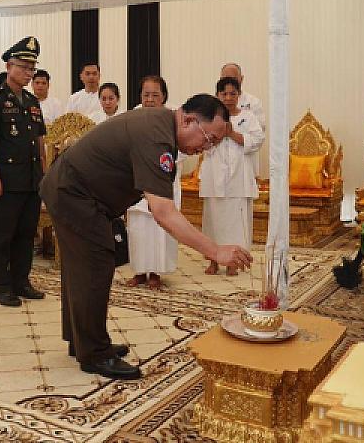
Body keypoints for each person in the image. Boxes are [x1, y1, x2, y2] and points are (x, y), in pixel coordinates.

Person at [40, 94, 252, 379]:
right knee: (95, 266)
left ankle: (81, 341)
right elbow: (163, 212)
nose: (206, 148)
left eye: (213, 143)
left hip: (74, 190)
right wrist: (215, 251)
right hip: (74, 194)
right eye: (209, 139)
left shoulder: (162, 126)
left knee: (81, 268)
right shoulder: (157, 138)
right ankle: (94, 354)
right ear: (189, 120)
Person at [0, 37, 46, 307]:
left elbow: (40, 141)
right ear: (8, 66)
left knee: (26, 234)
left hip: (31, 179)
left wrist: (43, 175)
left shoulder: (31, 100)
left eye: (32, 68)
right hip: (6, 179)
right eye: (23, 67)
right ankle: (2, 285)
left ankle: (21, 280)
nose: (28, 73)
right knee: (3, 235)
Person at [201, 77, 264, 275]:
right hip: (214, 176)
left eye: (232, 94)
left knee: (236, 223)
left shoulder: (247, 117)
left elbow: (258, 140)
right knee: (213, 220)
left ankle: (233, 262)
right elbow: (201, 142)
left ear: (239, 95)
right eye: (224, 94)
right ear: (217, 95)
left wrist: (232, 134)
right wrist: (219, 134)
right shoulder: (209, 117)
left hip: (239, 177)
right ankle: (213, 260)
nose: (228, 98)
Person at [126, 76, 179, 290]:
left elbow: (181, 149)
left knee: (160, 228)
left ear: (163, 96)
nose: (149, 99)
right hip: (138, 183)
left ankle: (156, 272)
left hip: (162, 181)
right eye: (146, 95)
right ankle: (139, 271)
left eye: (155, 95)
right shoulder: (132, 116)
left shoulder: (172, 117)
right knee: (138, 229)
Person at [220, 63, 265, 130]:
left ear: (241, 79)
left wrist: (234, 133)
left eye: (233, 78)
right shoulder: (214, 102)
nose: (230, 82)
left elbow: (260, 130)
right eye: (226, 78)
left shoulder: (253, 102)